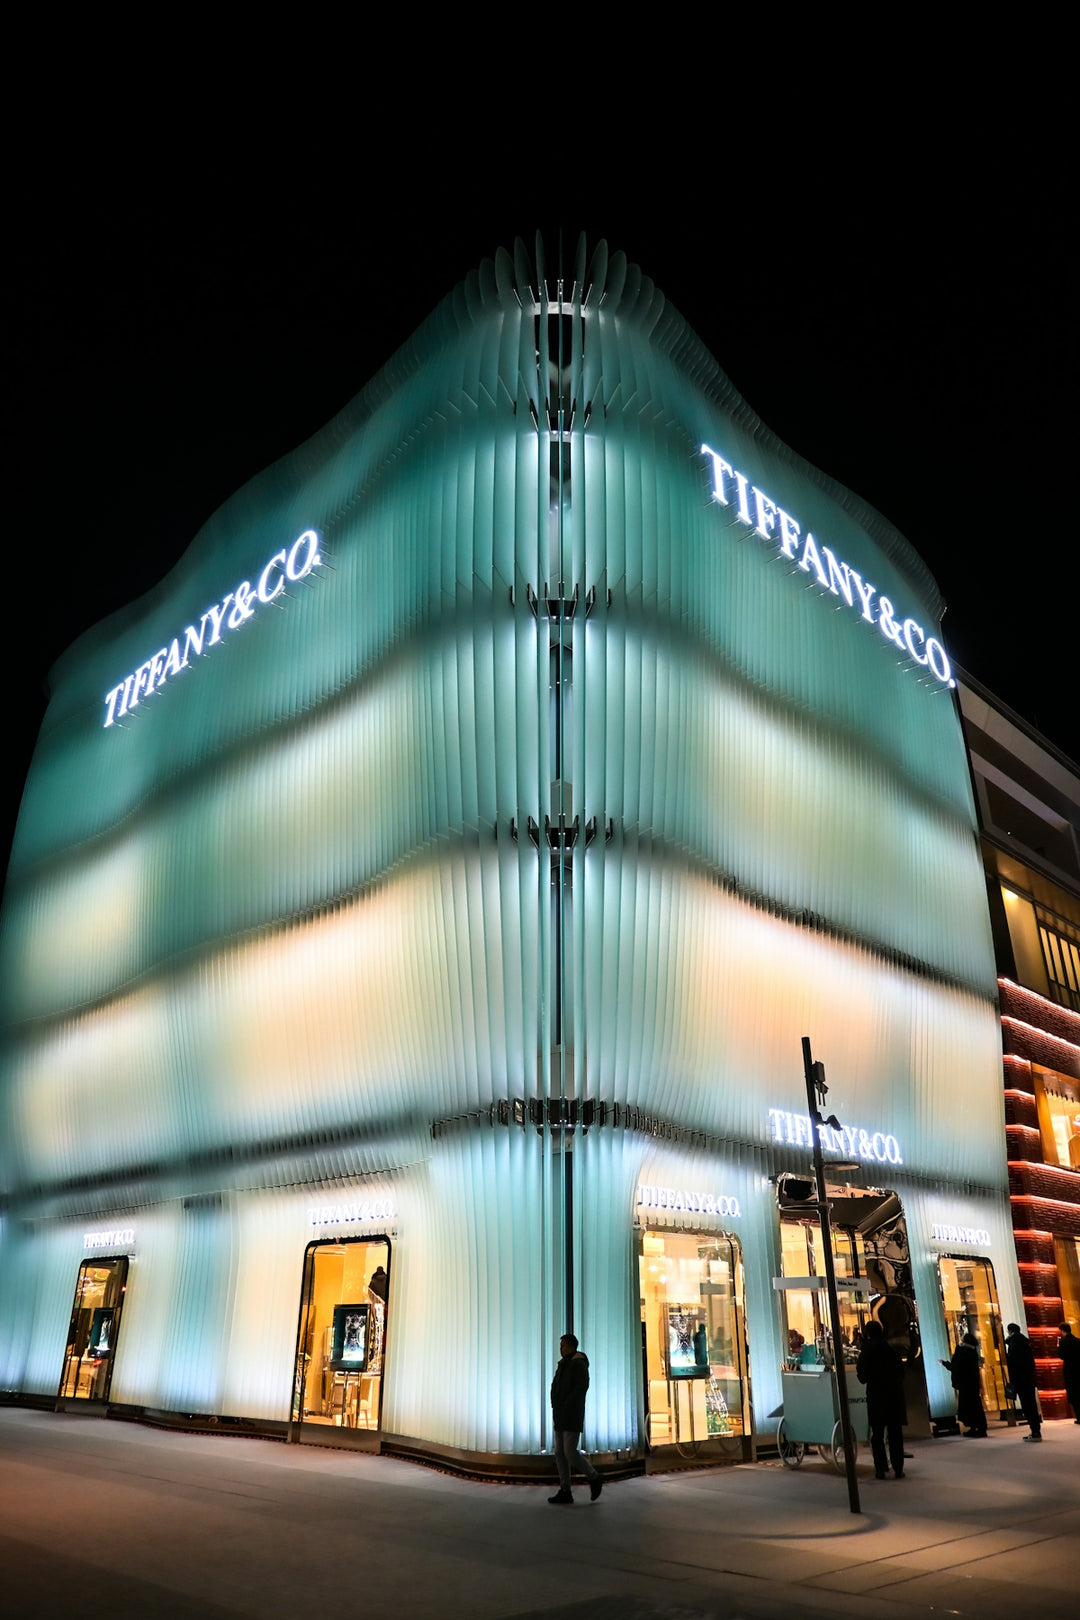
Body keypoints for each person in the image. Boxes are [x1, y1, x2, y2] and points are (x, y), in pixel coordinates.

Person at [548, 1333, 602, 1504]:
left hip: (571, 1414)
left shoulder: (578, 1365)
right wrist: (555, 1404)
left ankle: (593, 1477)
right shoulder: (563, 1364)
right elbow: (556, 1386)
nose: (560, 1348)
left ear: (571, 1346)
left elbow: (580, 1388)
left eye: (563, 1345)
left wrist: (566, 1405)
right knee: (560, 1452)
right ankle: (565, 1490)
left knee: (569, 1451)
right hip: (560, 1413)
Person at [857, 1319, 907, 1478]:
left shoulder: (866, 1351)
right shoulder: (891, 1349)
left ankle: (881, 1468)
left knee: (877, 1434)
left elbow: (862, 1376)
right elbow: (901, 1372)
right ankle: (898, 1467)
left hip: (876, 1396)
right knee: (895, 1433)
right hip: (893, 1396)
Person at [939, 1332, 987, 1436]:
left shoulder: (962, 1352)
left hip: (965, 1384)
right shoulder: (973, 1352)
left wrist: (944, 1363)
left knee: (968, 1406)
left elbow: (956, 1367)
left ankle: (974, 1427)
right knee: (975, 1406)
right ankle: (979, 1427)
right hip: (972, 1384)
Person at [1004, 1322, 1041, 1441]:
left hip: (1020, 1379)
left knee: (1027, 1405)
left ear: (1010, 1331)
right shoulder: (1025, 1343)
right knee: (1031, 1404)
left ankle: (1035, 1432)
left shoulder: (1013, 1344)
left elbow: (1014, 1364)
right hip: (1028, 1378)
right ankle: (1036, 1430)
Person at [1057, 1321, 1080, 1423]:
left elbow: (1061, 1355)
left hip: (1070, 1370)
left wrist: (1058, 1346)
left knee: (1073, 1394)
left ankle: (1079, 1417)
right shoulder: (1078, 1340)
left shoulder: (1063, 1342)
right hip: (1078, 1369)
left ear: (1062, 1331)